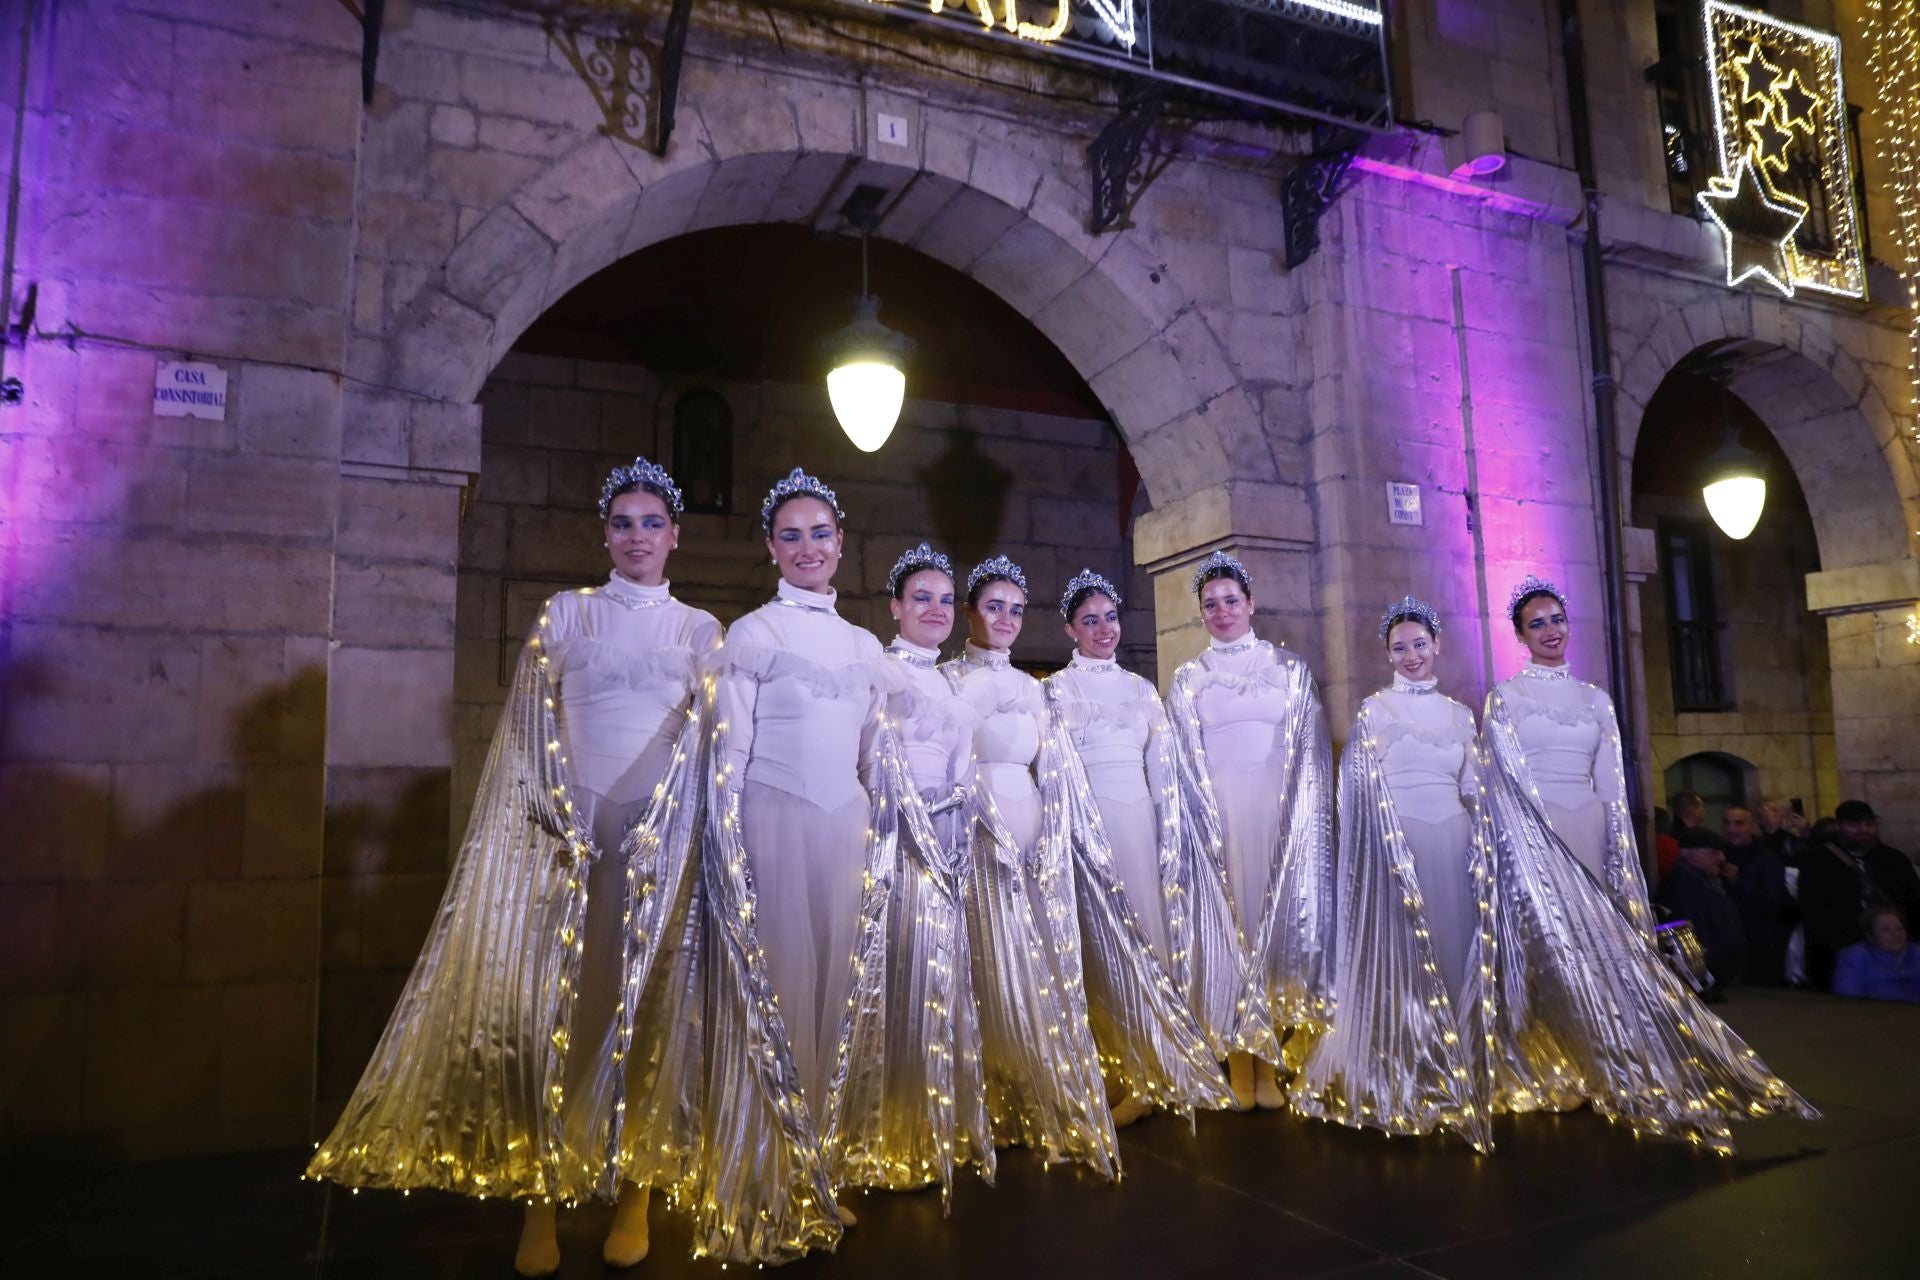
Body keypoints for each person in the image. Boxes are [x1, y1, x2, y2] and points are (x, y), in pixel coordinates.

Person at [307, 459, 720, 1278]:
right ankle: (545, 1192)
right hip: (572, 832)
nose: (638, 536)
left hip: (654, 839)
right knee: (557, 1011)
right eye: (624, 522)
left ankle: (633, 1184)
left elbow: (705, 734)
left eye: (652, 523)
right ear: (606, 534)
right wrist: (557, 807)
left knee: (644, 1004)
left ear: (676, 536)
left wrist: (667, 827)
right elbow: (530, 719)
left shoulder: (698, 630)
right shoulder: (567, 613)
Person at [698, 467, 967, 1262]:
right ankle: (766, 1174)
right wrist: (731, 847)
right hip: (771, 819)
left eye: (821, 534)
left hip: (843, 826)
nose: (808, 547)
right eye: (791, 534)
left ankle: (818, 1167)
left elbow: (869, 758)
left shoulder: (860, 649)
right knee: (777, 994)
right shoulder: (751, 634)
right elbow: (731, 752)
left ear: (841, 544)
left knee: (837, 998)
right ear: (771, 547)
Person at [1480, 575, 1816, 1152]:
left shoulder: (1596, 699)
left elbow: (1612, 786)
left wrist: (1619, 856)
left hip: (1588, 826)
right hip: (1532, 837)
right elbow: (1498, 781)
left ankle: (1601, 1063)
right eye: (1537, 623)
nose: (1550, 630)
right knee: (1547, 953)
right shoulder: (1504, 698)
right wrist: (1528, 849)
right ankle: (1554, 1068)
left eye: (1557, 618)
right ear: (1519, 635)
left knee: (1597, 952)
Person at [1291, 596, 1497, 1151]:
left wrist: (1484, 842)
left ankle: (1460, 1066)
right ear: (1387, 654)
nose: (1411, 655)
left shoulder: (1460, 714)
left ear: (1438, 645)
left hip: (1453, 842)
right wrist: (1377, 853)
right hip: (1397, 845)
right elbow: (1356, 791)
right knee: (1405, 958)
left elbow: (1475, 786)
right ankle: (1408, 1063)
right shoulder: (1375, 711)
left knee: (1455, 953)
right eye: (1399, 647)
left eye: (1419, 644)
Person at [1042, 568, 1238, 1126]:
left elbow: (1163, 773)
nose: (1103, 629)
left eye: (1110, 617)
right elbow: (1055, 772)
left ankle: (1151, 1070)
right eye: (1089, 621)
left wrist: (1168, 840)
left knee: (1144, 944)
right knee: (1093, 953)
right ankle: (1109, 1063)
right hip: (1086, 832)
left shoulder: (1141, 690)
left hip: (1138, 829)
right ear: (1069, 630)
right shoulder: (1055, 692)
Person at [944, 555, 1117, 1173]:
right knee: (985, 965)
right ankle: (982, 1097)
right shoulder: (947, 679)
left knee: (1033, 965)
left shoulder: (1032, 687)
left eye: (1017, 610)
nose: (1007, 620)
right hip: (976, 834)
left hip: (1033, 833)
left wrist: (1054, 838)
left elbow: (1054, 771)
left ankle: (1028, 1090)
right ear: (969, 612)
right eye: (994, 607)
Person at [1163, 550, 1334, 1110]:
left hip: (1277, 819)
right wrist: (1200, 827)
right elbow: (1182, 761)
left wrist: (1302, 822)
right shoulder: (1189, 679)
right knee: (1229, 935)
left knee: (1274, 933)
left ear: (1251, 603)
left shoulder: (1290, 670)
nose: (1221, 611)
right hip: (1220, 824)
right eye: (1209, 604)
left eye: (1230, 600)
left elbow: (1311, 753)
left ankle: (1274, 1059)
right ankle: (1239, 1061)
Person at [1656, 839, 1747, 990]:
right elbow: (1694, 927)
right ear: (1695, 853)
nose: (1722, 858)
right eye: (1714, 852)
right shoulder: (1683, 884)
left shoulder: (1705, 879)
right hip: (1703, 971)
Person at [1722, 807, 1793, 986]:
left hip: (1760, 941)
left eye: (1739, 823)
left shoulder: (1767, 858)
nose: (1732, 829)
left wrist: (1737, 882)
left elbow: (1772, 902)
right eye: (1727, 823)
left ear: (1753, 826)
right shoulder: (1722, 854)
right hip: (1733, 940)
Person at [1835, 800, 1920, 934]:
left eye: (1870, 824)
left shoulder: (1894, 859)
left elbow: (1913, 904)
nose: (1864, 830)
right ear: (1839, 826)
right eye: (1854, 824)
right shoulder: (1825, 861)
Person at [1831, 906, 1920, 1003]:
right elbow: (1847, 999)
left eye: (1899, 928)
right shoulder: (1855, 957)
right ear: (1870, 937)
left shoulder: (1916, 952)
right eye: (1885, 930)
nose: (1895, 934)